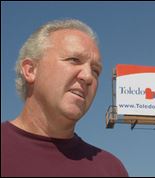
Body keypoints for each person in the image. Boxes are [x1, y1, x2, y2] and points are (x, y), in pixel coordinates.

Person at [1, 19, 128, 177]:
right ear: (31, 70)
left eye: (96, 71)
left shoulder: (112, 169)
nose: (88, 77)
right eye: (74, 60)